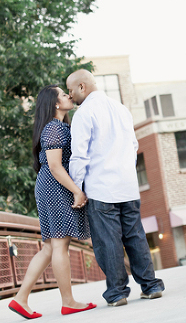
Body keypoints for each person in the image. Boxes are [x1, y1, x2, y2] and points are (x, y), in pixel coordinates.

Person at [66, 69, 164, 306]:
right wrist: (126, 173)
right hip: (127, 186)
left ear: (82, 87)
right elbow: (133, 145)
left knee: (107, 241)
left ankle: (118, 293)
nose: (70, 96)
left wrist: (77, 189)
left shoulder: (84, 113)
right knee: (135, 236)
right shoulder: (121, 108)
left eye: (70, 90)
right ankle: (150, 286)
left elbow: (79, 156)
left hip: (101, 188)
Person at [8, 85, 97, 320]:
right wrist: (77, 191)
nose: (68, 95)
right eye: (63, 94)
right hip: (55, 187)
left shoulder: (57, 126)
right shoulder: (54, 128)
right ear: (55, 103)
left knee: (50, 246)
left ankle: (20, 299)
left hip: (51, 186)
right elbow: (55, 166)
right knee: (59, 246)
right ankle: (68, 302)